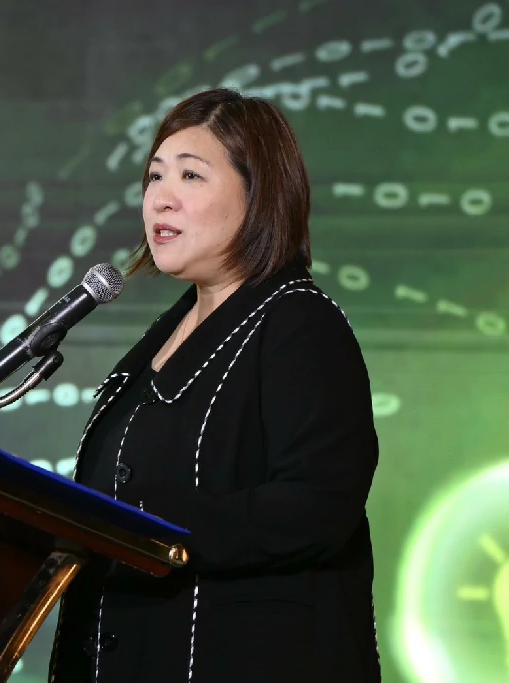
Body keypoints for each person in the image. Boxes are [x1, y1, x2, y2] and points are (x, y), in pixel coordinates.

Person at [47, 88, 381, 683]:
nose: (160, 198)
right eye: (154, 176)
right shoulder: (162, 335)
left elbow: (317, 506)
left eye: (191, 175)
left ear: (259, 195)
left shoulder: (298, 322)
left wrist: (146, 527)